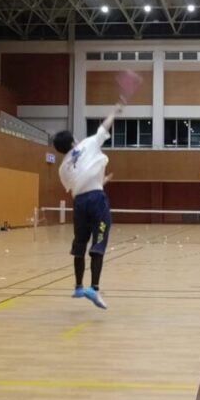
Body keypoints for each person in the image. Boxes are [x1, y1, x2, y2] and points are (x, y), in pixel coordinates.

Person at [52, 103, 123, 310]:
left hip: (80, 203)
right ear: (73, 140)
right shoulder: (87, 144)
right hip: (96, 200)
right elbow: (104, 127)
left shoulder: (62, 168)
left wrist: (102, 181)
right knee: (98, 243)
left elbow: (78, 185)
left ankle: (78, 286)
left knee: (80, 244)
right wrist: (114, 111)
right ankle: (94, 288)